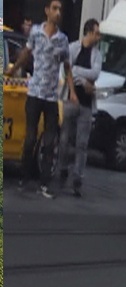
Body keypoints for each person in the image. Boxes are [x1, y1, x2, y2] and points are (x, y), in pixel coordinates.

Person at [4, 0, 77, 199]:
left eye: (60, 9)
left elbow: (68, 67)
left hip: (51, 97)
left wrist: (72, 91)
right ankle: (25, 178)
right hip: (35, 93)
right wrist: (12, 69)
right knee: (29, 139)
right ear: (46, 11)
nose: (58, 12)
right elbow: (26, 54)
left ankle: (45, 182)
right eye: (54, 8)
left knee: (50, 140)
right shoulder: (36, 33)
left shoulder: (62, 40)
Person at [58, 18, 102, 197]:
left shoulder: (97, 55)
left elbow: (96, 73)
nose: (98, 37)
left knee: (82, 143)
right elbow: (65, 69)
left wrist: (78, 74)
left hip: (86, 103)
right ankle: (61, 169)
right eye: (97, 33)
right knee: (64, 138)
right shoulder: (73, 47)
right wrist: (79, 77)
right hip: (70, 99)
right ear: (89, 32)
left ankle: (77, 177)